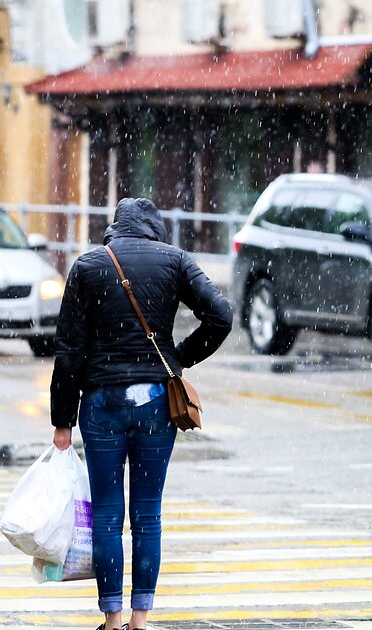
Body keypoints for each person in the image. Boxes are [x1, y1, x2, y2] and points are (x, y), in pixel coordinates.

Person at [50, 198, 232, 630]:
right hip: (156, 401)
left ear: (115, 227)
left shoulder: (88, 267)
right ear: (155, 228)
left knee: (108, 514)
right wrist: (179, 357)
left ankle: (112, 621)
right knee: (148, 514)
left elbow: (69, 350)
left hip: (101, 403)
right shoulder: (174, 262)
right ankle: (141, 620)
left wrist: (62, 419)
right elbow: (220, 316)